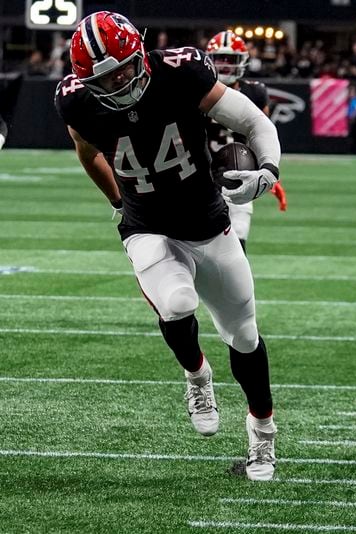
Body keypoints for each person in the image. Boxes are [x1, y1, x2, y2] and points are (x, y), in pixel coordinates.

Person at [54, 11, 281, 481]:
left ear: (140, 52)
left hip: (209, 221)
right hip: (147, 223)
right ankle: (197, 377)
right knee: (177, 302)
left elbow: (255, 121)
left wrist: (269, 171)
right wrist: (117, 202)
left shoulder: (181, 72)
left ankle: (263, 434)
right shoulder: (75, 101)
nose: (117, 83)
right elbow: (86, 150)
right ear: (84, 80)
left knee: (243, 336)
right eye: (104, 78)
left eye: (122, 69)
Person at [205, 30, 287, 253]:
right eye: (219, 59)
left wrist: (269, 171)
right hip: (200, 174)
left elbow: (263, 134)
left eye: (230, 59)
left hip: (240, 173)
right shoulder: (197, 89)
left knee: (238, 243)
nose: (223, 66)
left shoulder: (255, 92)